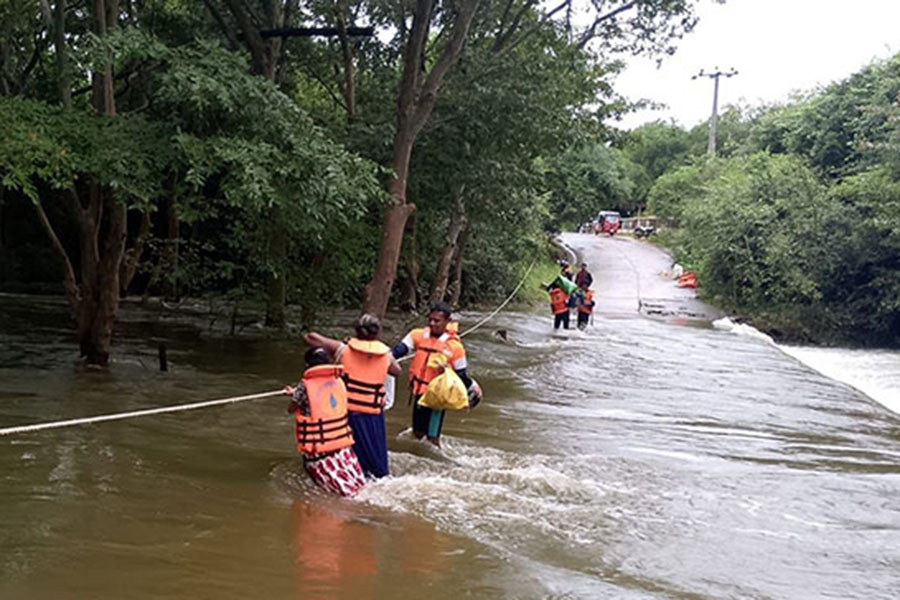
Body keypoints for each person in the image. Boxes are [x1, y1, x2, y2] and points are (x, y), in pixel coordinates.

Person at [304, 314, 401, 479]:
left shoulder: (343, 349)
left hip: (346, 413)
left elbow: (310, 337)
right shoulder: (385, 355)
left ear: (356, 332)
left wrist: (344, 344)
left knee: (347, 454)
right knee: (376, 465)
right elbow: (397, 371)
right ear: (377, 333)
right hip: (372, 415)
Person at [392, 302, 482, 447]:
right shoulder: (418, 335)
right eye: (430, 320)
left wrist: (466, 383)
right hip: (419, 394)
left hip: (438, 398)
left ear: (447, 322)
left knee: (432, 439)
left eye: (437, 321)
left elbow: (461, 376)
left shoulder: (455, 347)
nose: (432, 323)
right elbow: (398, 352)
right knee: (417, 433)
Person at [284, 347, 366, 497]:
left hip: (319, 448)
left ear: (308, 365)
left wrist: (293, 396)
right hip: (341, 443)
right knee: (355, 487)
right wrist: (297, 393)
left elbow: (292, 408)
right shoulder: (338, 380)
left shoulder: (305, 386)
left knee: (335, 492)